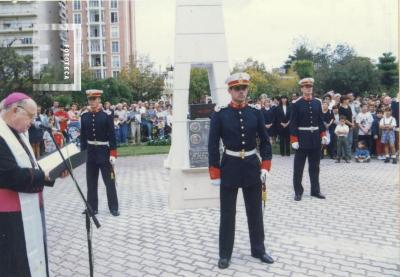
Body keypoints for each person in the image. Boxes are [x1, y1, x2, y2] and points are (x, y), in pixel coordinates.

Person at [208, 72, 274, 269]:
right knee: (227, 213)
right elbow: (212, 145)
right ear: (229, 91)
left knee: (255, 212)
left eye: (244, 88)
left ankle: (258, 249)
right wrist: (215, 172)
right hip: (230, 166)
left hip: (252, 166)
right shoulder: (220, 114)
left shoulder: (255, 112)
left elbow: (265, 140)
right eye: (237, 88)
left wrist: (265, 165)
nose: (241, 92)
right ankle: (225, 254)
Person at [0, 92, 68, 276]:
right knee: (15, 263)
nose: (33, 121)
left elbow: (31, 166)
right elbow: (9, 174)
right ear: (15, 110)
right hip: (9, 217)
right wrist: (43, 176)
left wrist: (53, 172)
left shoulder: (19, 134)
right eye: (30, 116)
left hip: (28, 207)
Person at [80, 89, 120, 216]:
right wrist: (83, 154)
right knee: (91, 182)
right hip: (91, 152)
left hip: (104, 151)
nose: (92, 102)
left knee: (109, 181)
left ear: (99, 100)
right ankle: (92, 208)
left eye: (94, 99)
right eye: (90, 99)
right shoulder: (84, 116)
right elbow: (83, 137)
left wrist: (113, 154)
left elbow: (112, 136)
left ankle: (113, 207)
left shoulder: (106, 115)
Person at [290, 77, 328, 201]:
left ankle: (315, 191)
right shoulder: (296, 104)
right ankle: (298, 191)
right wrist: (294, 139)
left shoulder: (317, 102)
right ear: (301, 88)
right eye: (306, 87)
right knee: (298, 168)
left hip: (315, 139)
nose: (308, 89)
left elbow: (320, 121)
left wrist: (323, 135)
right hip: (301, 139)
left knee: (315, 167)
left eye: (310, 87)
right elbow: (293, 123)